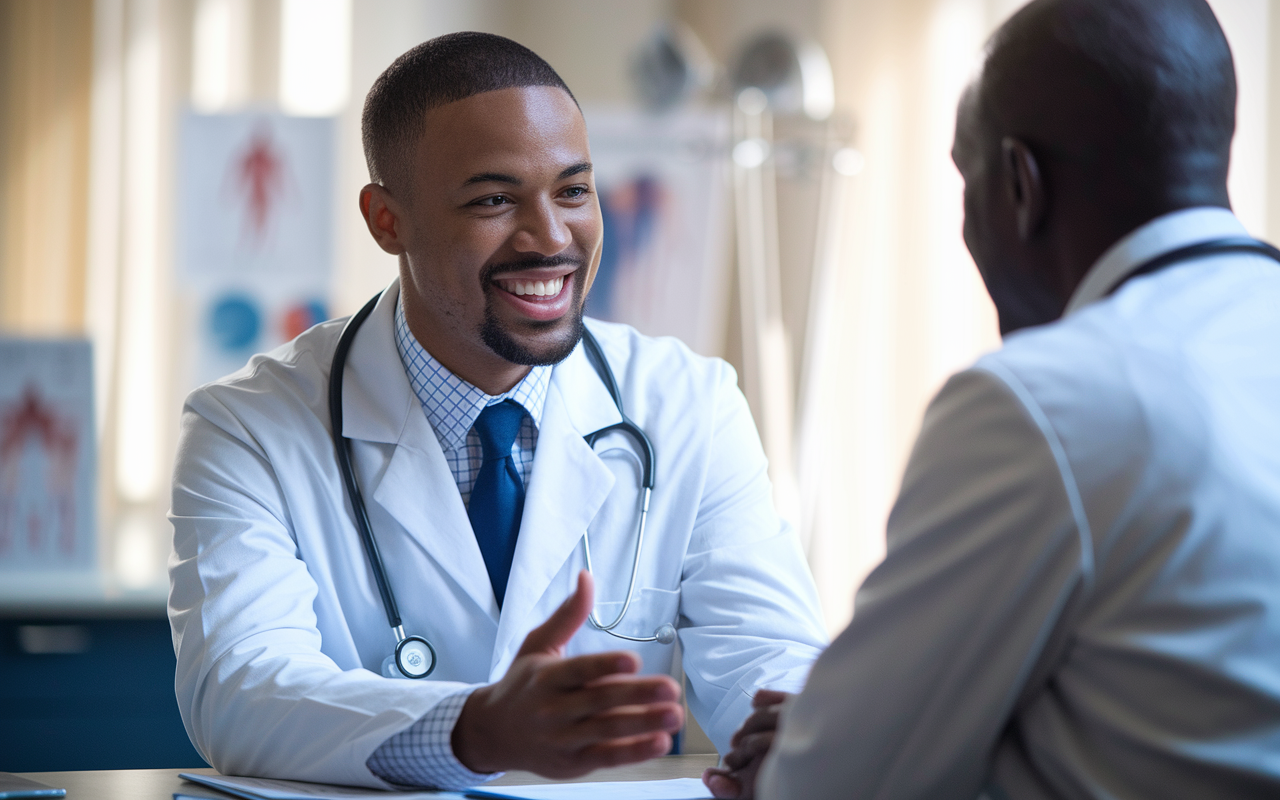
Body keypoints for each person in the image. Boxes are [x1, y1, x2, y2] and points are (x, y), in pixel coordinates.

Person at [168, 33, 826, 791]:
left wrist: (797, 733)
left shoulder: (689, 404)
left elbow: (769, 653)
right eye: (494, 199)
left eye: (573, 191)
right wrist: (476, 727)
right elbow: (242, 689)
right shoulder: (246, 429)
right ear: (389, 221)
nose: (551, 238)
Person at [705, 0, 1280, 797]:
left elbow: (837, 786)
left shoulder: (1043, 404)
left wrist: (811, 747)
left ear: (1018, 183)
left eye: (964, 178)